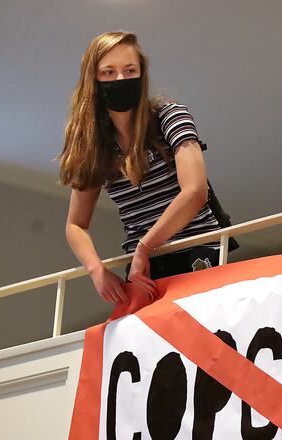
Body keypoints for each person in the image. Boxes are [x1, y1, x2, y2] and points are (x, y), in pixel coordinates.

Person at [58, 31, 223, 303]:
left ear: (141, 74)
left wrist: (145, 247)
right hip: (144, 269)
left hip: (198, 249)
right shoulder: (97, 145)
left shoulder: (169, 117)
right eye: (109, 72)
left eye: (129, 70)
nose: (120, 79)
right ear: (94, 80)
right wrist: (97, 270)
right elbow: (75, 224)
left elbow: (195, 191)